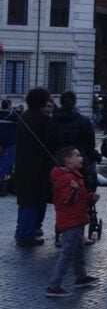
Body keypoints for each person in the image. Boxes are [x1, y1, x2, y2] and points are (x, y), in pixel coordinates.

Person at [46, 147, 99, 297]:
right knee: (68, 252)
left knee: (78, 248)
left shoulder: (73, 176)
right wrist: (74, 190)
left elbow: (79, 199)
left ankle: (81, 276)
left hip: (77, 218)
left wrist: (89, 197)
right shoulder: (65, 179)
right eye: (77, 155)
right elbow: (66, 201)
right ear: (68, 160)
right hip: (71, 221)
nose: (81, 158)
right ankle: (54, 285)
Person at [14, 87, 60, 247]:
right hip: (37, 167)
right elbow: (53, 142)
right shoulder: (42, 120)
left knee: (25, 202)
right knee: (32, 201)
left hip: (23, 165)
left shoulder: (24, 116)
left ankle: (22, 231)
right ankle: (25, 235)